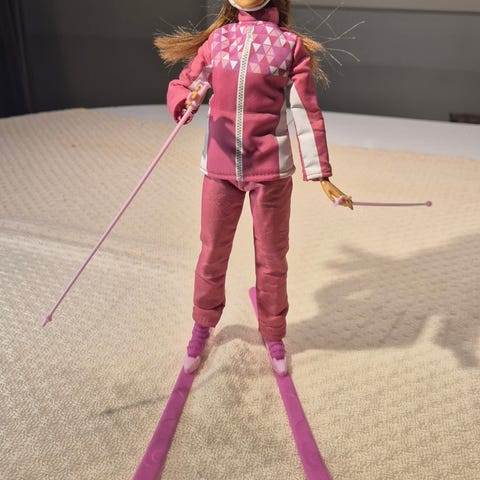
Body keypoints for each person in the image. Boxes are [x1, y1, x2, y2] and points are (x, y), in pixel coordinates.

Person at [155, 0, 352, 375]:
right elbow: (184, 83)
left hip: (270, 170)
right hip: (220, 165)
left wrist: (321, 173)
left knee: (273, 257)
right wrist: (186, 101)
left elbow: (305, 111)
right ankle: (203, 324)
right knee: (212, 252)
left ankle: (273, 331)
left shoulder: (289, 46)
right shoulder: (219, 42)